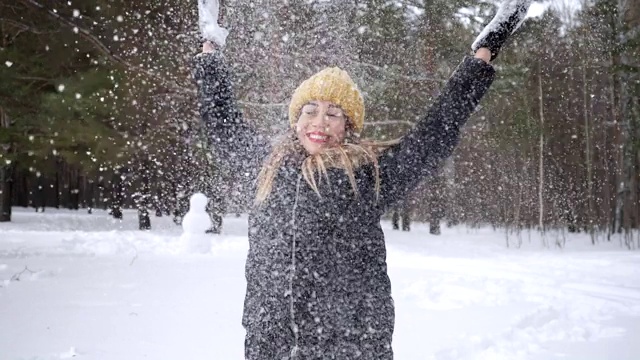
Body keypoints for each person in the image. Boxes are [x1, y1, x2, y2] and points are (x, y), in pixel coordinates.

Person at [193, 1, 532, 358]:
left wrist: (484, 51)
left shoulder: (368, 176)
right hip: (270, 347)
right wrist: (210, 47)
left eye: (333, 113)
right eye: (309, 111)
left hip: (349, 348)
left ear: (348, 127)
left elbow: (435, 132)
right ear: (295, 121)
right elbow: (221, 122)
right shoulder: (265, 169)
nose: (319, 122)